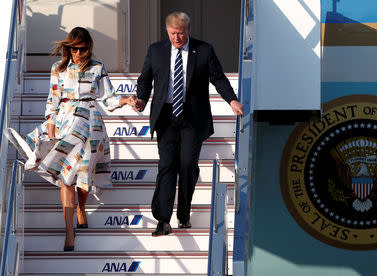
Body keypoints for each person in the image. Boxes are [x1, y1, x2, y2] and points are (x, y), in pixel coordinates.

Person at [6, 27, 133, 250]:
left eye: (81, 48)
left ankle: (81, 209)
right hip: (66, 124)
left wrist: (126, 101)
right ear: (68, 48)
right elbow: (52, 101)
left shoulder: (98, 68)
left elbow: (109, 99)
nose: (77, 52)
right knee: (67, 176)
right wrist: (52, 130)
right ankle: (69, 231)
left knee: (83, 173)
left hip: (91, 125)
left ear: (88, 47)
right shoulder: (58, 69)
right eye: (73, 48)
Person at [130, 12, 243, 236]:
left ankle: (183, 213)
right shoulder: (156, 50)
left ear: (188, 30)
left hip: (192, 118)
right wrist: (141, 99)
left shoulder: (204, 50)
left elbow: (218, 78)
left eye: (180, 33)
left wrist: (232, 100)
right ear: (167, 31)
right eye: (173, 33)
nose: (177, 37)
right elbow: (145, 79)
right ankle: (163, 219)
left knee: (187, 165)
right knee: (167, 165)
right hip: (166, 116)